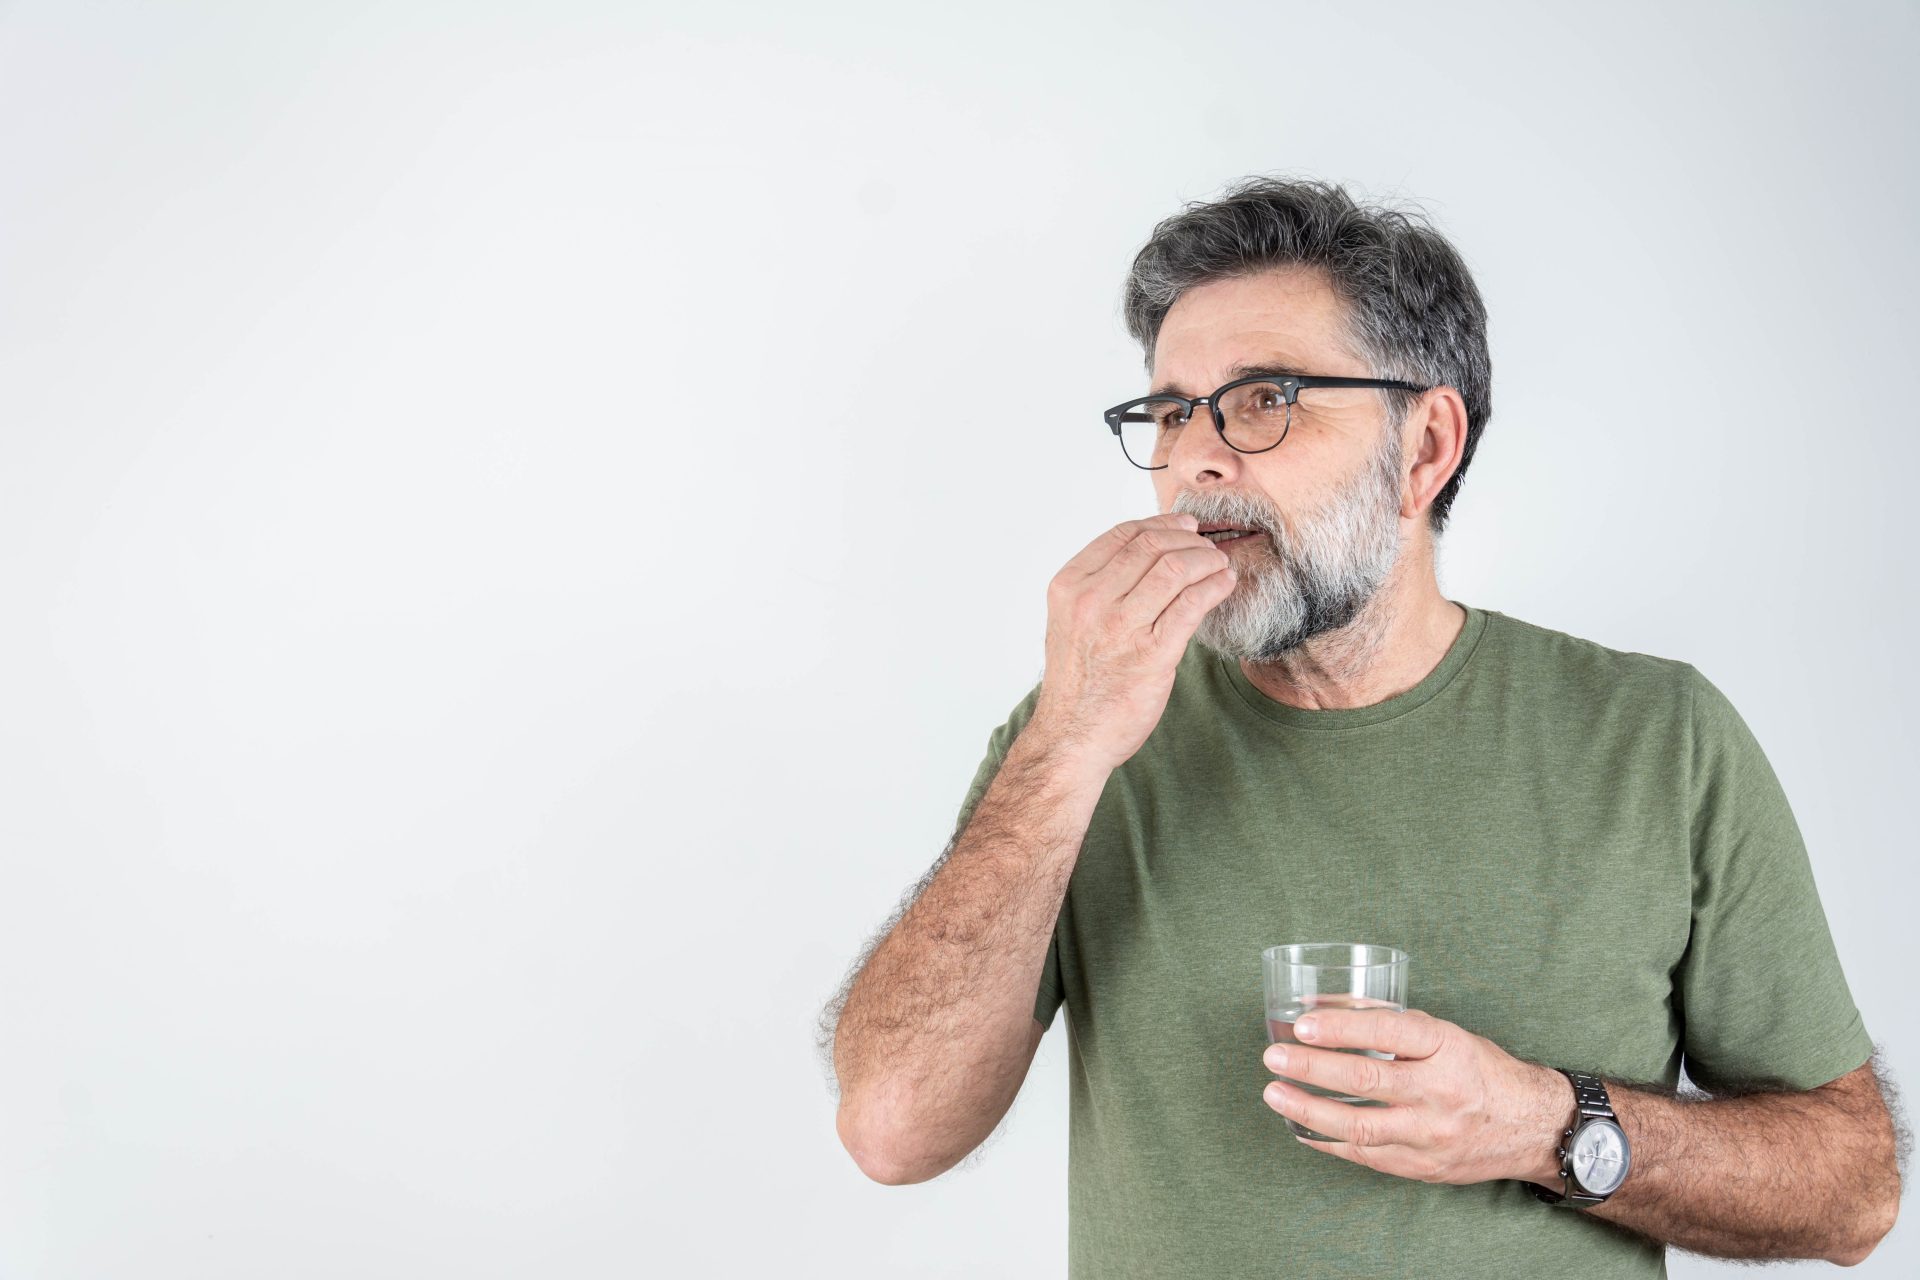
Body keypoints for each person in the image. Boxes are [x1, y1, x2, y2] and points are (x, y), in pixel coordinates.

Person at [824, 176, 1904, 1276]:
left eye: (1264, 400)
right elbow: (893, 1126)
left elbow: (1853, 1189)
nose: (1194, 458)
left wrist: (1541, 1126)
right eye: (1169, 411)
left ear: (1426, 445)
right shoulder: (1085, 733)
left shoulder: (1656, 739)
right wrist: (1063, 743)